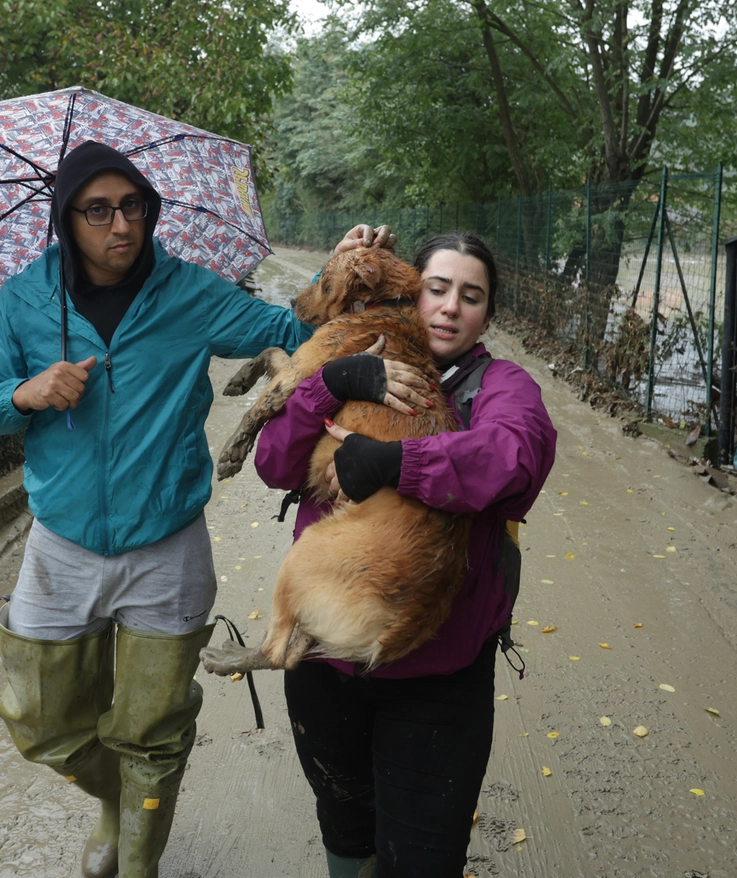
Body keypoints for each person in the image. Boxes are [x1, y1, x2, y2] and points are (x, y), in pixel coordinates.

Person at [0, 141, 314, 878]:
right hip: (61, 546)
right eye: (99, 210)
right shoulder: (24, 299)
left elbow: (290, 330)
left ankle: (139, 859)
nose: (122, 225)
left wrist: (336, 279)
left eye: (135, 207)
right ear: (67, 219)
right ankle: (119, 800)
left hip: (167, 546)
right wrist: (25, 394)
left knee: (152, 731)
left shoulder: (189, 293)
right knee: (40, 723)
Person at [252, 226, 558, 877]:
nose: (449, 307)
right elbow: (274, 464)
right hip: (326, 666)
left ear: (487, 314)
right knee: (345, 830)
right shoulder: (356, 358)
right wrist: (330, 383)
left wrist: (397, 461)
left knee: (422, 856)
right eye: (437, 288)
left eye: (470, 296)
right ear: (407, 293)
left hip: (439, 680)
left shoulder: (500, 386)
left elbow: (514, 460)